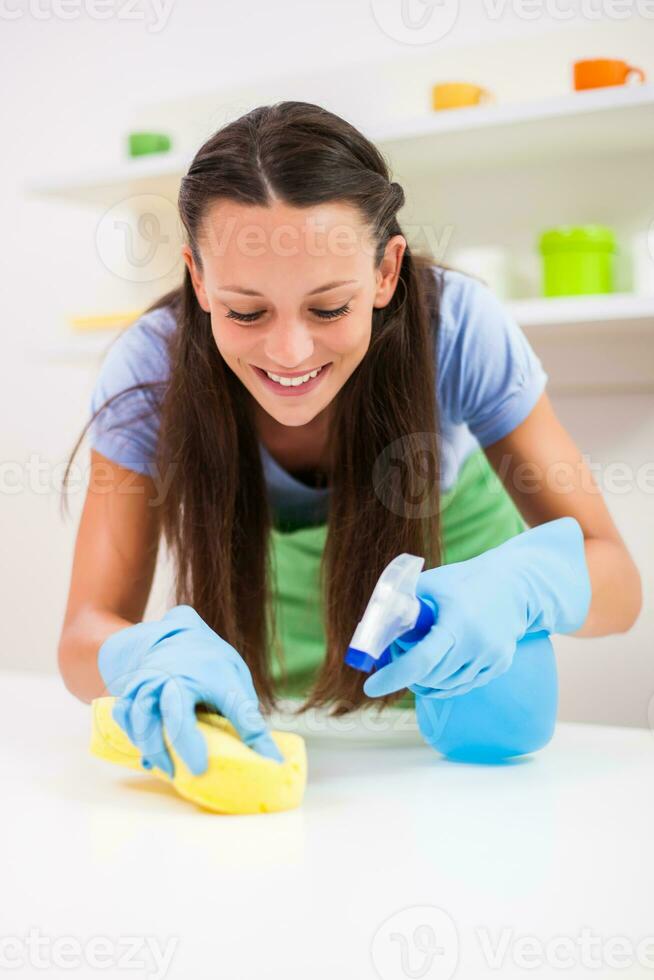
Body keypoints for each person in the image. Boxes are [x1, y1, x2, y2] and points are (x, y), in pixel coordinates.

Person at [58, 101, 641, 776]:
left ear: (387, 272)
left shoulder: (458, 330)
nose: (289, 351)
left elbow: (618, 587)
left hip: (462, 713)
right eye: (246, 310)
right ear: (198, 278)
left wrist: (526, 586)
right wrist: (141, 656)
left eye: (329, 306)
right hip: (268, 714)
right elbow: (84, 633)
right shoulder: (149, 369)